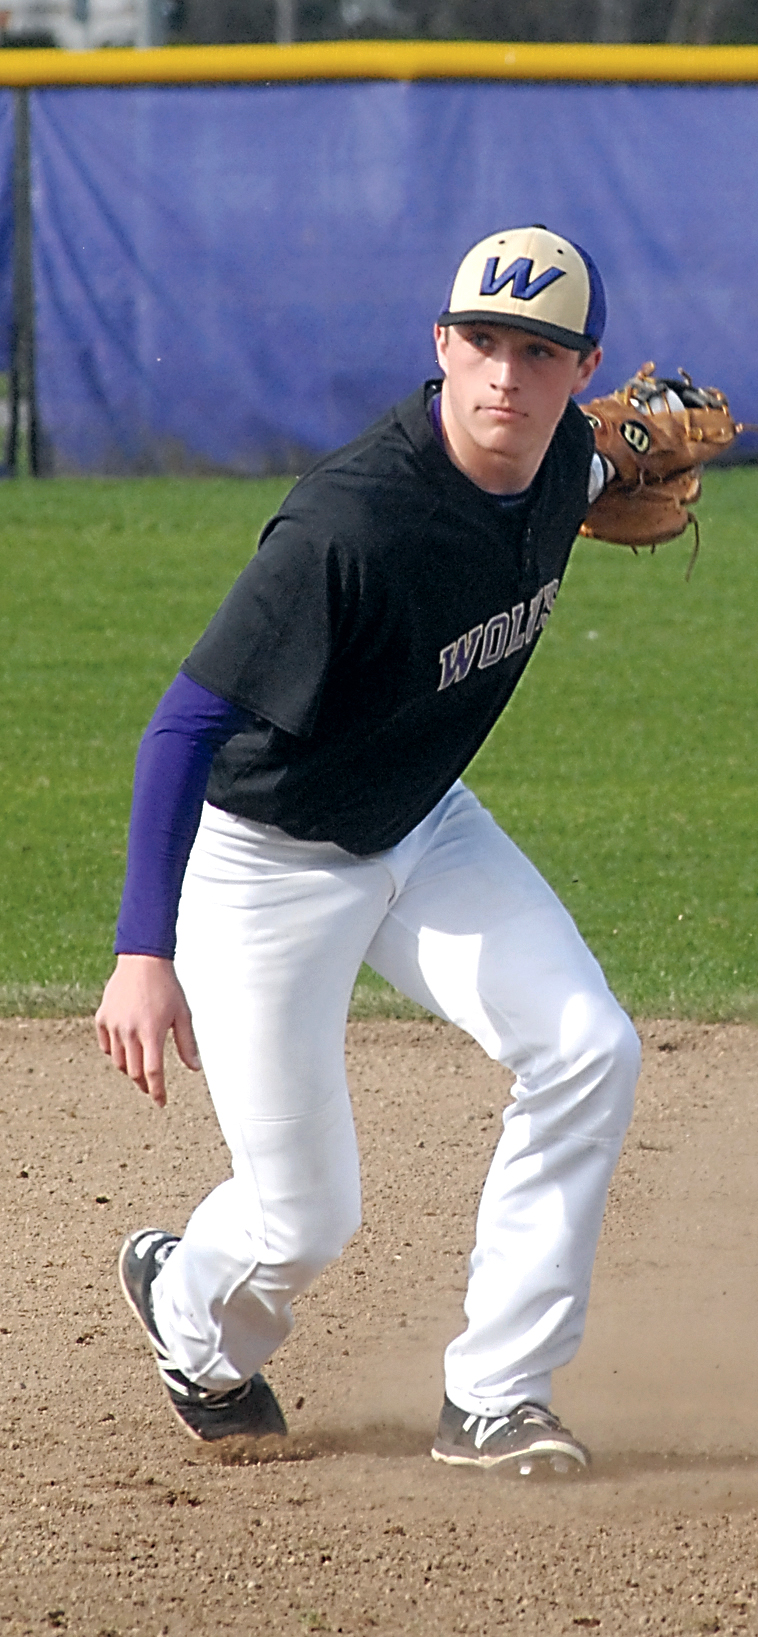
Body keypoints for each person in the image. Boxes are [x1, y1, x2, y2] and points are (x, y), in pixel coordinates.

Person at [95, 225, 642, 1476]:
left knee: (588, 1047)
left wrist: (623, 447)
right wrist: (142, 948)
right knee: (302, 1214)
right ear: (442, 345)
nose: (507, 376)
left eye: (541, 352)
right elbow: (181, 727)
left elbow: (610, 459)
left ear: (581, 367)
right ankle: (190, 1312)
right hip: (269, 860)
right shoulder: (349, 530)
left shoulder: (571, 457)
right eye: (485, 343)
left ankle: (498, 1395)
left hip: (427, 819)